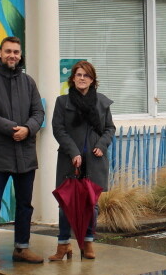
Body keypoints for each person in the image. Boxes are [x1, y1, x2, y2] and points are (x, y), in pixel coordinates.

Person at [0, 36, 45, 270]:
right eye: (8, 51)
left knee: (25, 205)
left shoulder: (29, 82)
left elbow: (38, 113)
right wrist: (12, 128)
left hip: (25, 153)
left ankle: (22, 247)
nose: (12, 55)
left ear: (20, 55)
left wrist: (28, 129)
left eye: (16, 52)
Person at [48, 60, 115, 261]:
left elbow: (110, 128)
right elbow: (58, 129)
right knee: (65, 203)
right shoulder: (62, 103)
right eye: (79, 75)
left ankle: (87, 243)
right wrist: (73, 152)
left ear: (92, 80)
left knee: (91, 204)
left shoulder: (101, 102)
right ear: (73, 78)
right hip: (71, 160)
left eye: (86, 75)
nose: (82, 78)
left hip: (94, 161)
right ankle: (63, 245)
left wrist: (101, 145)